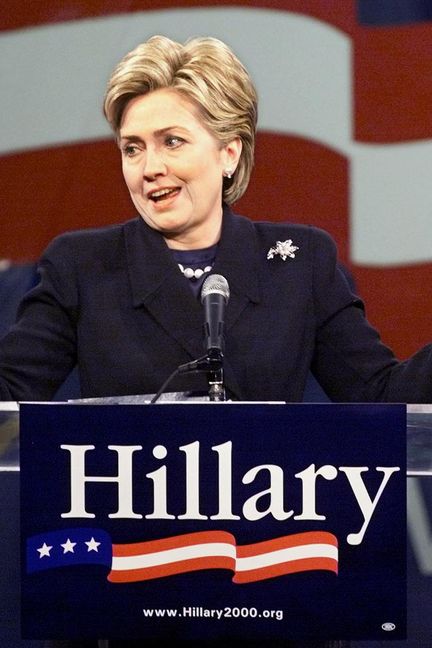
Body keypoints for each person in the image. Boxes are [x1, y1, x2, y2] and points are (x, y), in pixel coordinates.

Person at [0, 34, 419, 648]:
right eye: (133, 148)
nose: (150, 168)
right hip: (132, 604)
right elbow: (8, 397)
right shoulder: (82, 265)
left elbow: (381, 392)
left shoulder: (300, 261)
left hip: (274, 602)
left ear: (229, 152)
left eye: (172, 142)